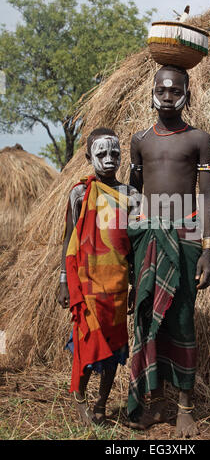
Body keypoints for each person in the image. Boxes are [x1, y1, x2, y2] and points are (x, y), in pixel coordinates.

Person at [128, 65, 210, 437]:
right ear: (152, 92)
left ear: (187, 94)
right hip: (148, 236)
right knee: (147, 319)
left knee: (181, 319)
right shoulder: (139, 140)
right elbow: (132, 195)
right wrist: (128, 243)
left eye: (174, 90)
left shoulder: (198, 139)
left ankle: (184, 408)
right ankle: (154, 403)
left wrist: (208, 250)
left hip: (186, 235)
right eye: (161, 90)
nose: (167, 97)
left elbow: (208, 195)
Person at [58, 128, 136, 426]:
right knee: (87, 343)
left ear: (121, 156)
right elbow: (69, 239)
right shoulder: (80, 192)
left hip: (116, 284)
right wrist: (64, 280)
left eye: (114, 153)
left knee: (115, 347)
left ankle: (102, 405)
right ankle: (80, 401)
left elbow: (133, 247)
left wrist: (134, 285)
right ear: (88, 156)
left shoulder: (131, 195)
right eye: (101, 154)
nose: (108, 159)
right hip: (87, 284)